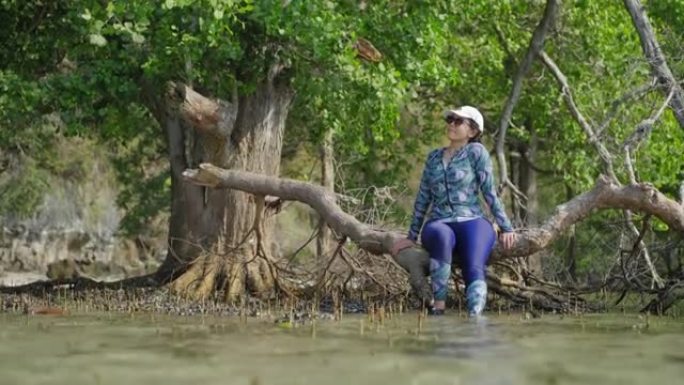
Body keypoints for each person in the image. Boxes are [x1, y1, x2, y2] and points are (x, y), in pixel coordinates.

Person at [391, 106, 517, 317]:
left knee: (474, 263)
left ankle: (475, 319)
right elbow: (423, 198)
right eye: (450, 119)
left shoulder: (477, 153)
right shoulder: (433, 158)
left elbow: (489, 193)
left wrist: (506, 227)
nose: (451, 124)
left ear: (473, 131)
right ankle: (438, 309)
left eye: (458, 121)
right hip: (439, 222)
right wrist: (411, 236)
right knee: (441, 235)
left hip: (473, 220)